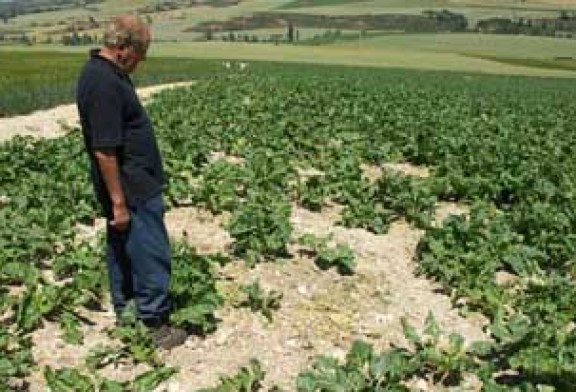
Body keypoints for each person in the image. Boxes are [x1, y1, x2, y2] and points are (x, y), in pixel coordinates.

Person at [76, 15, 187, 350]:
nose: (140, 63)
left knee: (124, 249)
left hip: (128, 185)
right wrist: (119, 201)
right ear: (124, 49)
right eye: (141, 55)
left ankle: (127, 314)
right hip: (131, 187)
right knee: (149, 251)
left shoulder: (104, 74)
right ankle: (153, 324)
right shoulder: (104, 82)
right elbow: (104, 149)